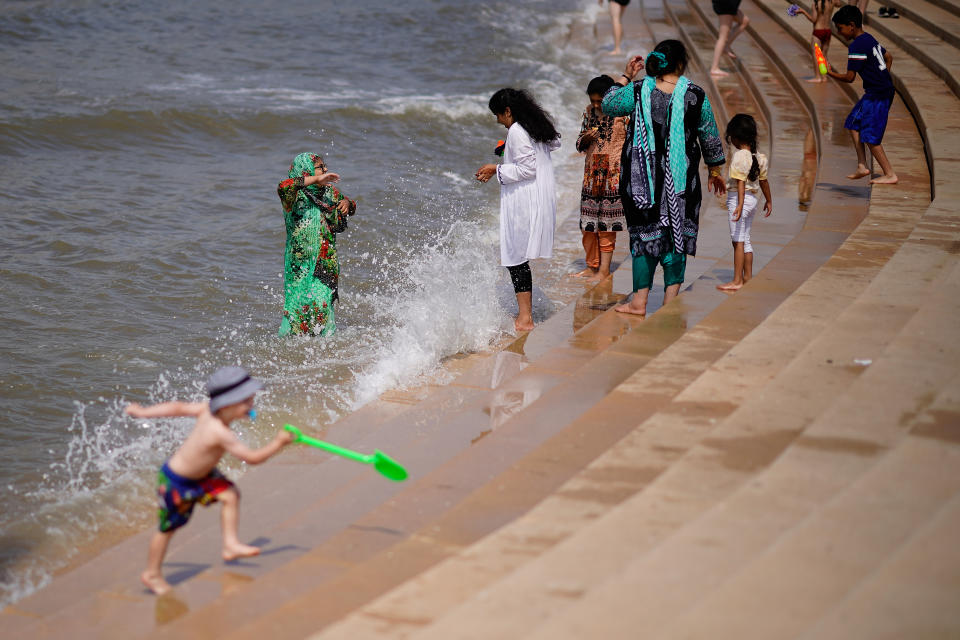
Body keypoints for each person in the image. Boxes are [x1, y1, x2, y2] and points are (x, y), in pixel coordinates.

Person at [126, 366, 294, 595]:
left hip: (202, 476)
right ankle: (152, 573)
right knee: (167, 529)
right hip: (177, 481)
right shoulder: (220, 433)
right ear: (227, 405)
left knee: (230, 495)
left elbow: (179, 407)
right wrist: (279, 443)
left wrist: (144, 411)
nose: (251, 406)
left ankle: (230, 544)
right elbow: (252, 458)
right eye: (246, 402)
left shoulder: (207, 410)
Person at [602, 40, 726, 317]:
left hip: (641, 183)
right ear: (681, 63)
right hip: (682, 183)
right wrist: (715, 171)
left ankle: (639, 302)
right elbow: (709, 136)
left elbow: (608, 103)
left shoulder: (637, 91)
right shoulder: (695, 95)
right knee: (676, 236)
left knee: (643, 239)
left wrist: (626, 75)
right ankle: (671, 301)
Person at [475, 88, 561, 332]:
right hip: (540, 195)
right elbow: (554, 142)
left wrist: (496, 169)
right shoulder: (534, 126)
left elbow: (527, 169)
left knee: (515, 258)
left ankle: (525, 319)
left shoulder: (516, 130)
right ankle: (526, 314)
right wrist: (507, 154)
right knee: (518, 256)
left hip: (524, 200)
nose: (497, 120)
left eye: (498, 115)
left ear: (508, 111)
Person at [277, 153, 357, 337]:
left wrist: (346, 203)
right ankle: (291, 356)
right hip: (299, 267)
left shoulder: (330, 193)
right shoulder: (293, 197)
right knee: (295, 311)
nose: (326, 170)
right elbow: (284, 185)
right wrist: (317, 179)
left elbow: (352, 206)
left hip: (325, 263)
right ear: (307, 172)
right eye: (320, 167)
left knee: (324, 309)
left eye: (324, 166)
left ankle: (329, 356)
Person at [825, 5, 898, 184]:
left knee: (871, 137)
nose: (839, 33)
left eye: (840, 28)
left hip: (878, 95)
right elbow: (889, 57)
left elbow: (850, 78)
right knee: (853, 124)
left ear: (851, 25)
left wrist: (829, 73)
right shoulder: (868, 38)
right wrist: (883, 76)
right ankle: (862, 166)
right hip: (878, 90)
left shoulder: (856, 46)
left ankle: (890, 174)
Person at [572, 75, 629, 282]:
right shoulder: (589, 113)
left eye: (599, 101)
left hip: (613, 175)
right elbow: (579, 144)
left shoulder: (623, 115)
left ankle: (604, 270)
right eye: (593, 100)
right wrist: (585, 138)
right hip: (591, 174)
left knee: (607, 225)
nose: (596, 104)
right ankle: (591, 266)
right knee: (588, 226)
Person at [717, 114, 772, 291]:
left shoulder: (740, 156)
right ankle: (747, 277)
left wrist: (739, 204)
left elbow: (740, 181)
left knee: (737, 241)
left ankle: (736, 280)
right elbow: (764, 181)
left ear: (736, 137)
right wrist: (769, 200)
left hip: (738, 199)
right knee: (745, 239)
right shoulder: (759, 157)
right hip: (753, 200)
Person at [791, 0, 836, 83]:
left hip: (818, 31)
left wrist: (803, 12)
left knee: (816, 54)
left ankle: (818, 77)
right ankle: (824, 76)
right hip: (828, 31)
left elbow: (814, 20)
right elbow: (839, 4)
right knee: (824, 55)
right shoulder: (832, 2)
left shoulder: (816, 4)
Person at [709, 0, 750, 77]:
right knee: (723, 36)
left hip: (728, 6)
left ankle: (726, 45)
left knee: (745, 21)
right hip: (726, 6)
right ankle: (714, 68)